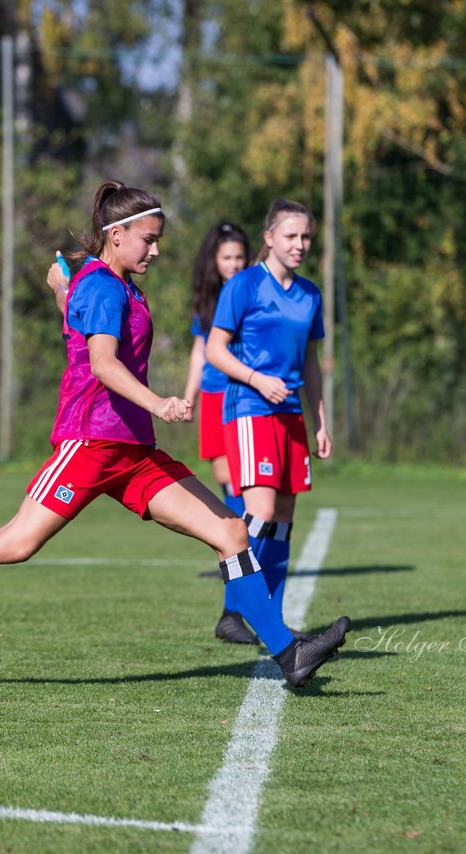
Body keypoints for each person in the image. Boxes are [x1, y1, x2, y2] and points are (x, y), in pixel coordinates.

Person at [0, 181, 350, 688]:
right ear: (118, 234)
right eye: (148, 238)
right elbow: (103, 364)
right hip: (89, 445)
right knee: (16, 543)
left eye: (158, 239)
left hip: (133, 453)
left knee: (231, 531)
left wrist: (63, 289)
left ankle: (290, 655)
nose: (156, 249)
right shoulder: (105, 285)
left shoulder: (111, 283)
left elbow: (79, 326)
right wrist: (159, 402)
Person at [205, 199, 329, 637]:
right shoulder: (243, 286)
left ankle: (270, 617)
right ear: (269, 237)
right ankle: (234, 609)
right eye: (291, 236)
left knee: (284, 517)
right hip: (249, 409)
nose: (300, 244)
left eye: (306, 236)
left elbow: (310, 362)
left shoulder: (310, 293)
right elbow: (213, 349)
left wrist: (319, 420)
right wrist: (257, 379)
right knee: (260, 512)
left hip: (291, 414)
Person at [180, 223, 260, 645]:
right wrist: (189, 397)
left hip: (245, 398)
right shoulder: (209, 302)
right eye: (227, 258)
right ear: (214, 261)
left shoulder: (252, 293)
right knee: (235, 494)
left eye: (239, 258)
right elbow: (200, 350)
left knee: (249, 501)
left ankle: (241, 604)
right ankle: (237, 605)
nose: (234, 264)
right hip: (215, 400)